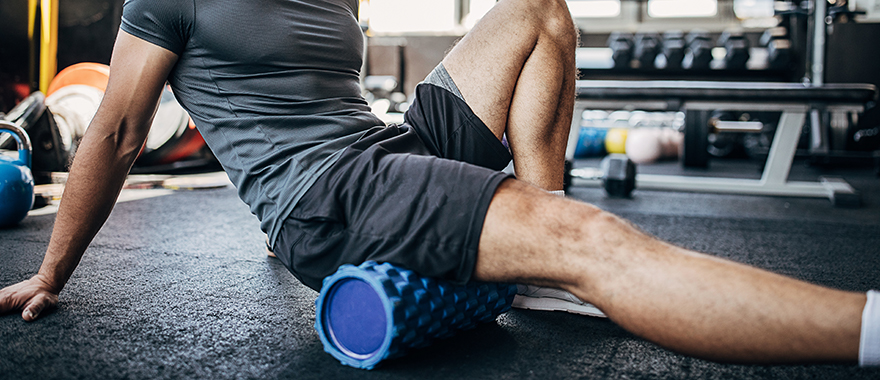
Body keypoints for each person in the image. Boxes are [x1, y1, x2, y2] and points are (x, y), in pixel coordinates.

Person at [1, 0, 878, 366]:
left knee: (537, 9)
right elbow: (116, 130)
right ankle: (867, 328)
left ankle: (537, 261)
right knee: (593, 245)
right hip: (331, 195)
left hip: (388, 147)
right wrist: (52, 273)